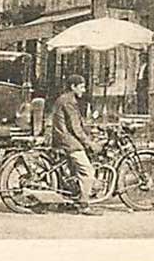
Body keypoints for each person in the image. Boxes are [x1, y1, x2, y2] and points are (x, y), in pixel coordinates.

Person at [51, 74, 102, 215]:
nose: (83, 90)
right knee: (87, 171)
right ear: (73, 87)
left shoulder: (66, 99)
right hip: (67, 141)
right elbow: (75, 128)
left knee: (73, 170)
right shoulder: (68, 101)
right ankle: (84, 205)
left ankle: (69, 199)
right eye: (81, 87)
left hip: (63, 138)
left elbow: (77, 124)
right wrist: (90, 143)